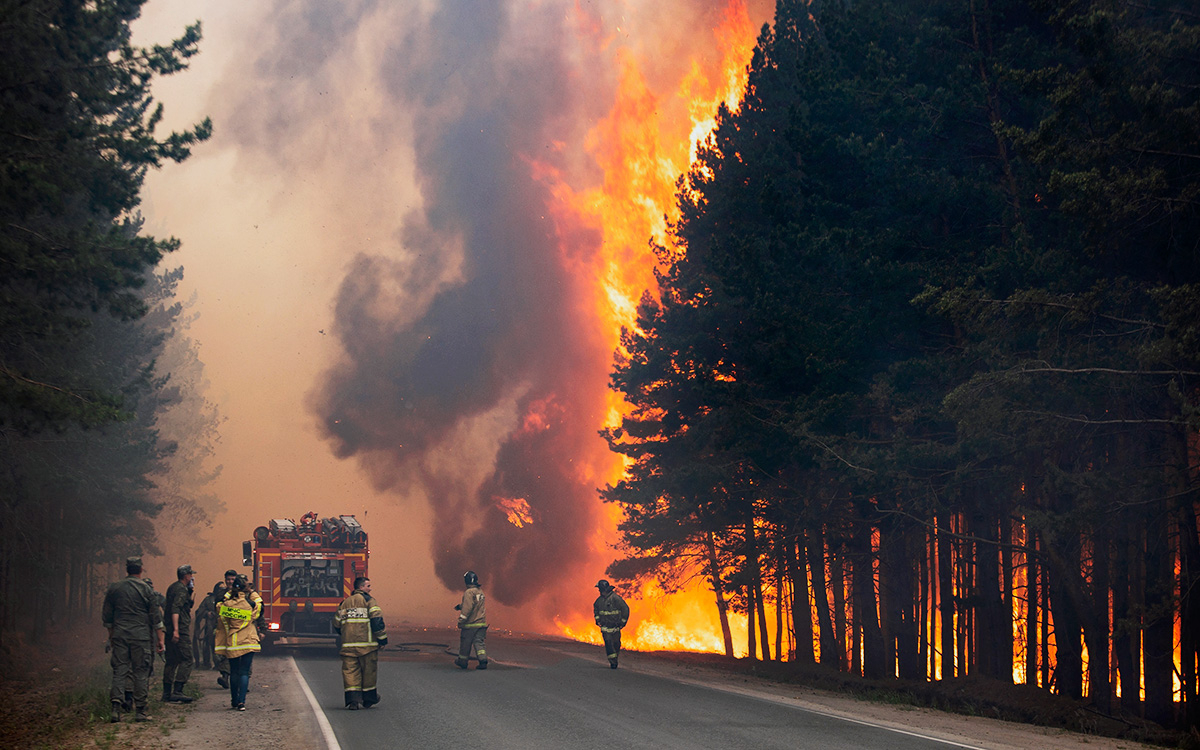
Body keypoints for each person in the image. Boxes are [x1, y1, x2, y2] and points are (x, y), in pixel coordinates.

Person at [103, 556, 165, 723]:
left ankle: (115, 708)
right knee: (140, 673)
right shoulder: (147, 589)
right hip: (141, 637)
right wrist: (161, 640)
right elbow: (156, 618)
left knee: (120, 671)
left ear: (127, 569)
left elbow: (107, 617)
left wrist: (111, 636)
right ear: (140, 569)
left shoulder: (115, 588)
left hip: (120, 635)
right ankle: (141, 711)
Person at [332, 576, 388, 710]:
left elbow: (336, 623)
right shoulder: (370, 601)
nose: (370, 588)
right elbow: (377, 622)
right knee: (369, 672)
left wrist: (346, 636)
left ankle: (353, 701)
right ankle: (368, 699)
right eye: (368, 586)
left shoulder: (344, 603)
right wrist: (382, 639)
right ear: (361, 587)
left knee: (350, 673)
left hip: (348, 647)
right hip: (367, 647)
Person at [215, 576, 260, 710]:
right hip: (249, 642)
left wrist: (228, 594)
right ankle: (242, 702)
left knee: (234, 672)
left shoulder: (227, 605)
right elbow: (259, 608)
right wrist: (250, 592)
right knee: (244, 672)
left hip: (233, 643)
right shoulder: (250, 605)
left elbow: (218, 606)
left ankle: (234, 701)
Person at [162, 564, 196, 703]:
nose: (192, 577)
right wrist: (176, 630)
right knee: (187, 659)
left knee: (172, 660)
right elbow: (175, 608)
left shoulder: (173, 587)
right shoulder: (181, 590)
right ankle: (178, 690)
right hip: (179, 629)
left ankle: (166, 693)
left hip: (169, 628)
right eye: (190, 575)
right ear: (186, 576)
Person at [454, 571, 488, 670]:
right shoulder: (480, 591)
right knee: (479, 642)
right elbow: (475, 604)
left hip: (471, 625)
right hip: (481, 623)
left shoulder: (469, 592)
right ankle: (483, 660)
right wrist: (460, 606)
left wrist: (461, 620)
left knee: (465, 643)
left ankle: (462, 661)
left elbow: (468, 608)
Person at [593, 579, 629, 669]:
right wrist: (598, 620)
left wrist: (623, 622)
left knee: (616, 644)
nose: (599, 591)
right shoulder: (598, 601)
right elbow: (596, 611)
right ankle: (613, 662)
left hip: (616, 626)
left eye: (600, 589)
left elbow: (625, 609)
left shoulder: (615, 598)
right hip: (605, 627)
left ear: (603, 589)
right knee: (608, 643)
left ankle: (615, 657)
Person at [212, 569, 237, 688]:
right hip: (224, 627)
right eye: (228, 579)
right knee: (224, 653)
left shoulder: (241, 593)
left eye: (232, 579)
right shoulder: (221, 594)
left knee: (238, 654)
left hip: (238, 628)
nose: (230, 582)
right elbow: (217, 609)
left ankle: (241, 682)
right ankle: (225, 677)